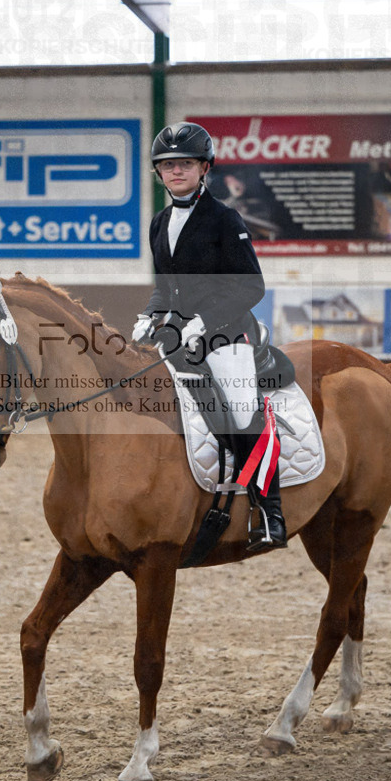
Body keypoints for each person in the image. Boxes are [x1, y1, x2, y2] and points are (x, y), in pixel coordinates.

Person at [131, 121, 287, 554]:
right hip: (179, 337)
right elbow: (165, 287)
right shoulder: (159, 223)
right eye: (167, 165)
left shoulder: (225, 218)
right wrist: (150, 315)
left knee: (240, 407)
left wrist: (204, 320)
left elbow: (250, 286)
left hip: (226, 334)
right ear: (158, 173)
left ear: (203, 168)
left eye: (185, 164)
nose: (176, 171)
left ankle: (268, 509)